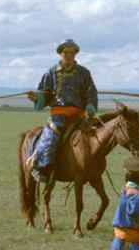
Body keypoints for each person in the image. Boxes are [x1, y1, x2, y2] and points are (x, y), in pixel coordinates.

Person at [27, 39, 98, 182]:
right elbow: (45, 94)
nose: (69, 55)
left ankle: (94, 169)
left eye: (72, 52)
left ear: (75, 54)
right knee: (49, 139)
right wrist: (36, 98)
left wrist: (89, 110)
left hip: (80, 116)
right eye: (66, 52)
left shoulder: (84, 73)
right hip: (58, 117)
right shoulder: (51, 72)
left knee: (97, 139)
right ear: (61, 53)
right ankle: (42, 168)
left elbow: (91, 94)